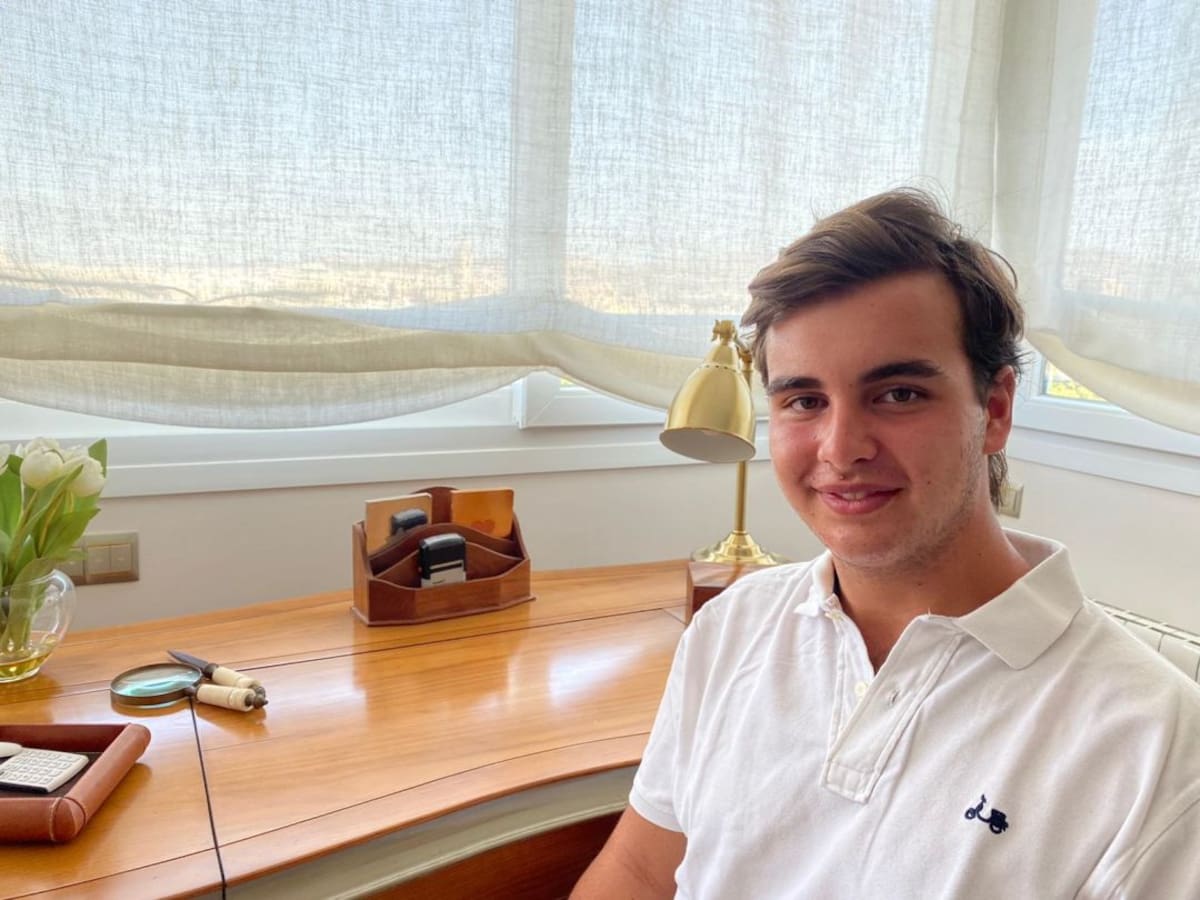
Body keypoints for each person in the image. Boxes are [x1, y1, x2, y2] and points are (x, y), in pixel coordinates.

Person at [572, 189, 1200, 898]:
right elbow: (638, 872)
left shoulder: (1155, 745)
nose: (841, 449)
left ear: (994, 410)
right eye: (804, 401)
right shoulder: (730, 629)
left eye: (898, 393)